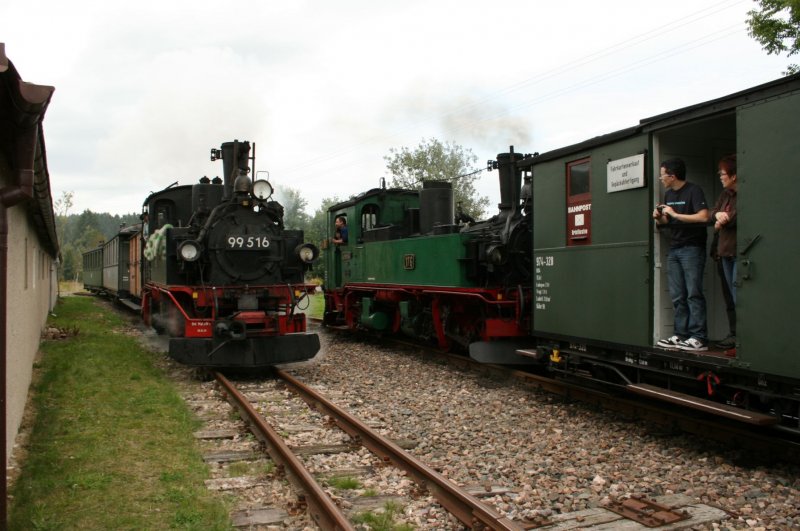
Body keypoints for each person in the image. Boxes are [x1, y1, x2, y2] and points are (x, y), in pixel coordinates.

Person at [653, 158, 710, 352]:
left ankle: (699, 337)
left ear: (672, 175)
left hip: (692, 248)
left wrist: (675, 214)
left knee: (694, 293)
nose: (661, 179)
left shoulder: (694, 190)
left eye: (662, 175)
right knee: (678, 295)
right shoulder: (668, 194)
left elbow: (703, 216)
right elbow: (665, 223)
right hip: (675, 248)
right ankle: (680, 334)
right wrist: (659, 217)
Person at [710, 155, 738, 353]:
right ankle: (734, 334)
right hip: (723, 252)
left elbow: (734, 217)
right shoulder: (725, 194)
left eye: (723, 173)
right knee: (729, 298)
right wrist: (717, 217)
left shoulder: (742, 194)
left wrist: (722, 219)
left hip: (736, 252)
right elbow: (713, 213)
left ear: (734, 175)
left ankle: (743, 337)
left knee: (739, 298)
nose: (720, 176)